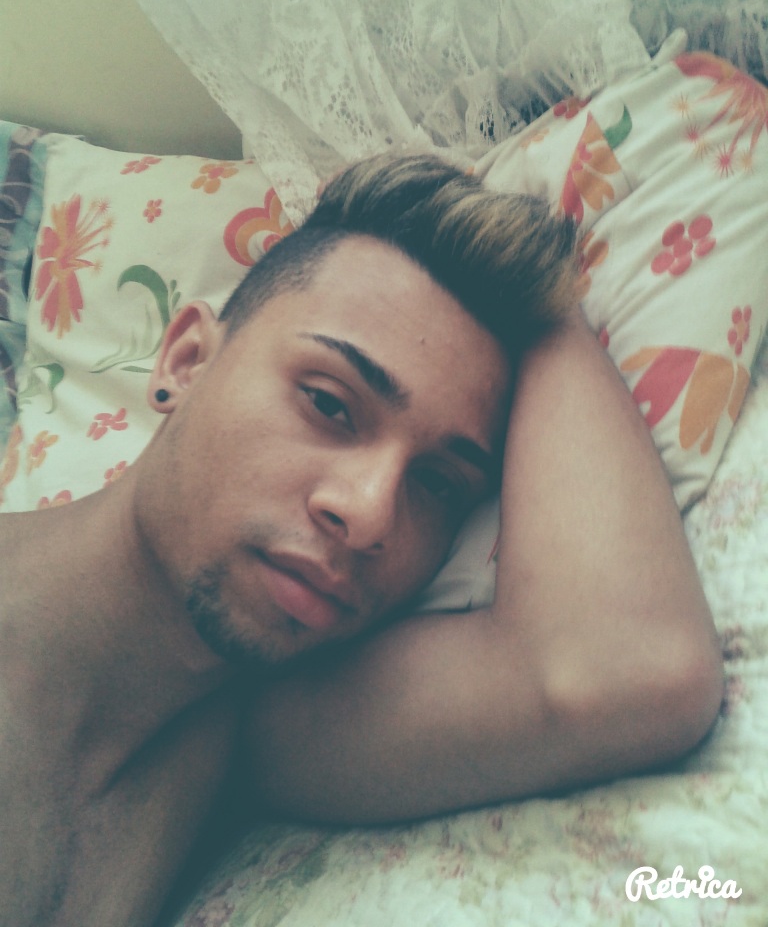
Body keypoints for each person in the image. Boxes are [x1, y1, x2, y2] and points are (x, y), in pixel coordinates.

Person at [0, 154, 722, 927]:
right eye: (328, 403)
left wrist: (538, 301)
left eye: (438, 484)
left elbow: (626, 666)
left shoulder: (252, 733)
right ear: (187, 360)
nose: (373, 515)